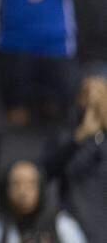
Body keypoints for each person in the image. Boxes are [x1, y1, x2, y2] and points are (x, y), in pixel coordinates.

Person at [43, 64, 107, 236]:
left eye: (101, 93)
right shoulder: (66, 133)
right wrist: (80, 136)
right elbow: (44, 172)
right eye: (87, 92)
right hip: (76, 221)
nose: (94, 100)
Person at [0, 160, 87, 243]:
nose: (23, 192)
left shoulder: (62, 227)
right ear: (6, 189)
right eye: (16, 184)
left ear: (41, 188)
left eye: (30, 184)